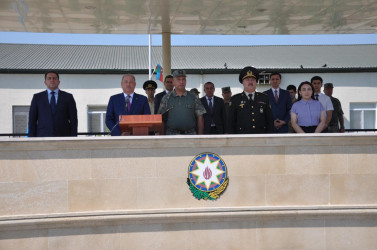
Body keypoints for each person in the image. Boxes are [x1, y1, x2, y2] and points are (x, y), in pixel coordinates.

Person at [28, 71, 78, 137]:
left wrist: (73, 138)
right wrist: (31, 138)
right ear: (45, 82)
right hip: (42, 137)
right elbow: (32, 120)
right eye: (49, 78)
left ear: (58, 82)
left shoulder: (68, 97)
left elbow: (73, 119)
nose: (52, 80)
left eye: (54, 78)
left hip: (64, 136)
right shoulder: (37, 97)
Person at [227, 66, 274, 134]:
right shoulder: (235, 99)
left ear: (256, 82)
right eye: (247, 80)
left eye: (252, 79)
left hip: (261, 136)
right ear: (242, 82)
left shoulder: (264, 98)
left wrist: (270, 137)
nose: (250, 82)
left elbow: (270, 121)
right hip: (242, 137)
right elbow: (230, 122)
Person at [158, 69, 206, 135]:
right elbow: (161, 118)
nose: (181, 82)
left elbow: (200, 117)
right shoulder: (166, 98)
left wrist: (200, 137)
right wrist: (161, 137)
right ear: (173, 82)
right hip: (172, 135)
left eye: (183, 79)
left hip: (190, 134)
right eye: (178, 79)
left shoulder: (193, 97)